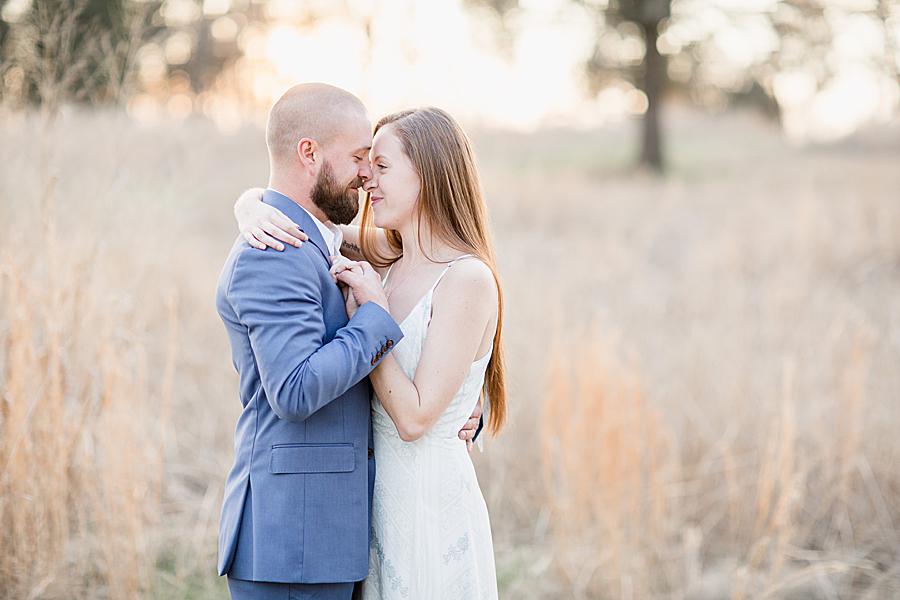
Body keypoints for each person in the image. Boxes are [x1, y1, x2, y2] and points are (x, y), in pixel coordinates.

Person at [215, 84, 481, 600]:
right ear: (309, 153)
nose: (366, 176)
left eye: (378, 164)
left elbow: (438, 335)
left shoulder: (340, 244)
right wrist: (372, 318)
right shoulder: (277, 249)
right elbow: (294, 391)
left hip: (349, 529)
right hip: (296, 540)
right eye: (361, 158)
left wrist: (465, 404)